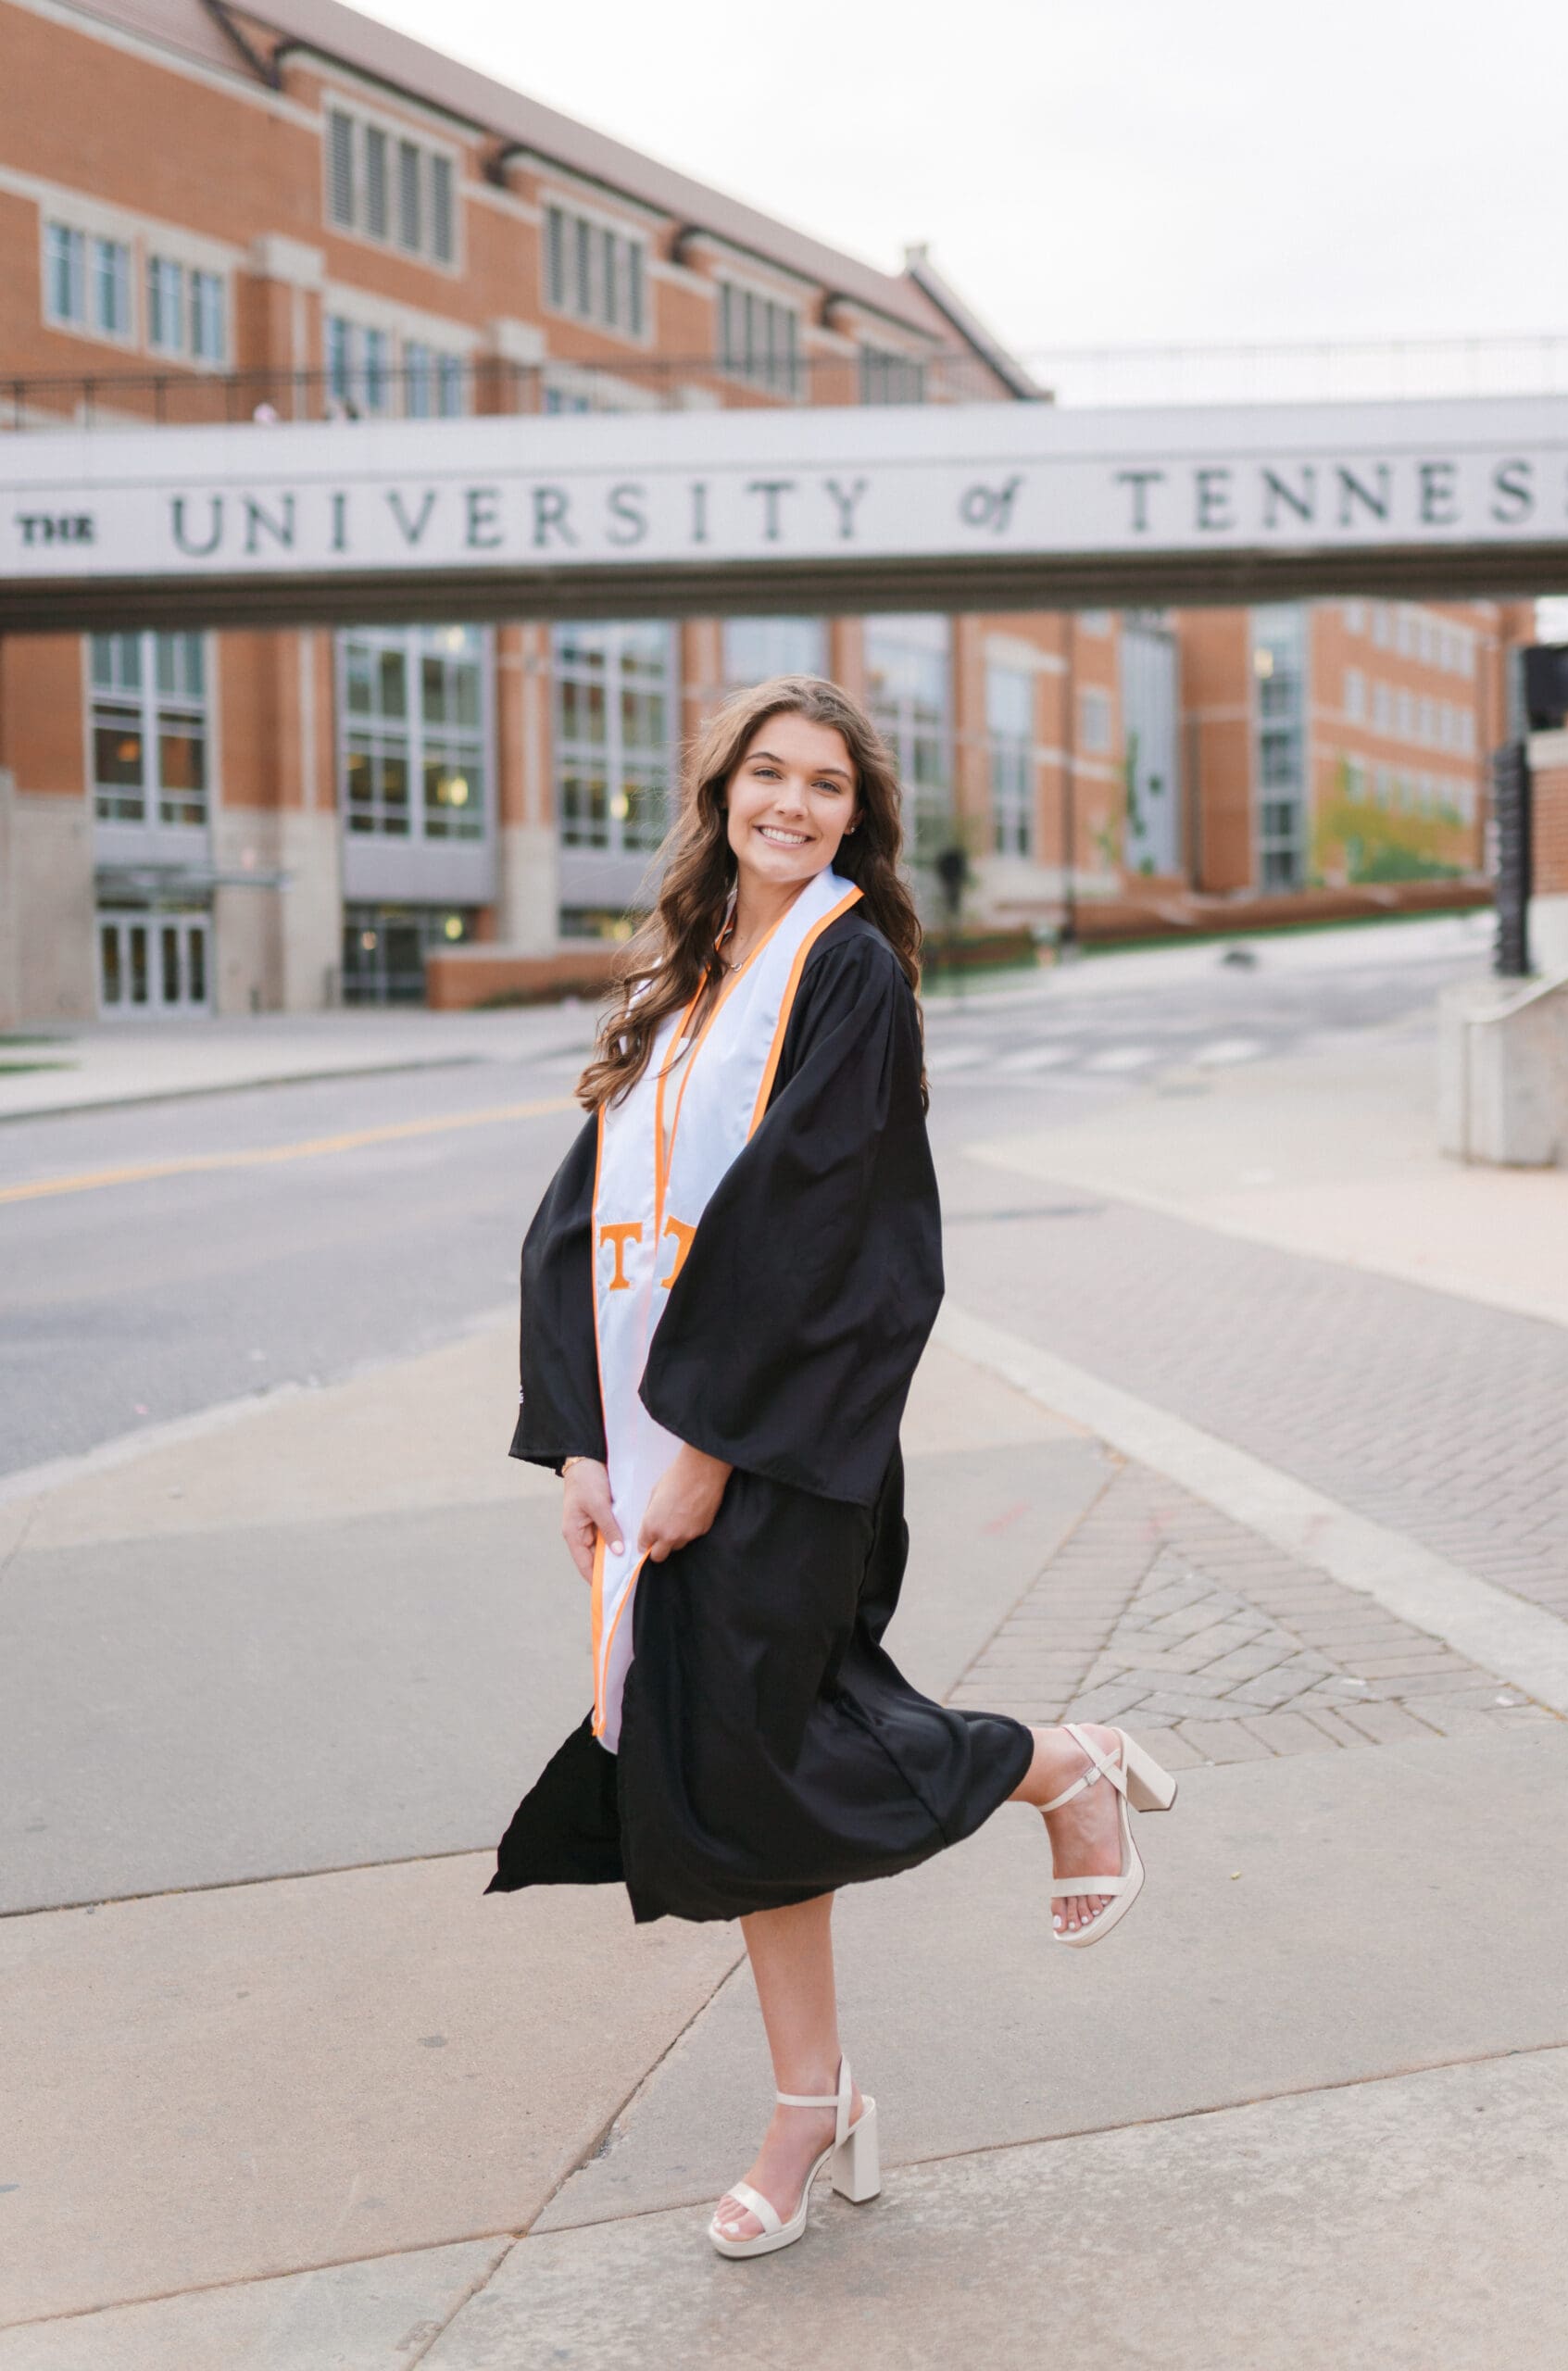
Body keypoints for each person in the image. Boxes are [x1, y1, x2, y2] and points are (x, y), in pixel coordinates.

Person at [486, 675, 1177, 2259]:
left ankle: (1052, 1767)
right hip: (651, 1435)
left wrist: (714, 1447)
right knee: (737, 1773)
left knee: (747, 1765)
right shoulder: (680, 971)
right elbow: (580, 1208)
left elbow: (819, 1227)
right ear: (721, 787)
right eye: (764, 774)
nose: (790, 805)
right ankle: (822, 2100)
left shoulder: (843, 966)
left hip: (771, 1433)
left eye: (824, 784)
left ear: (857, 812)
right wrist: (580, 1437)